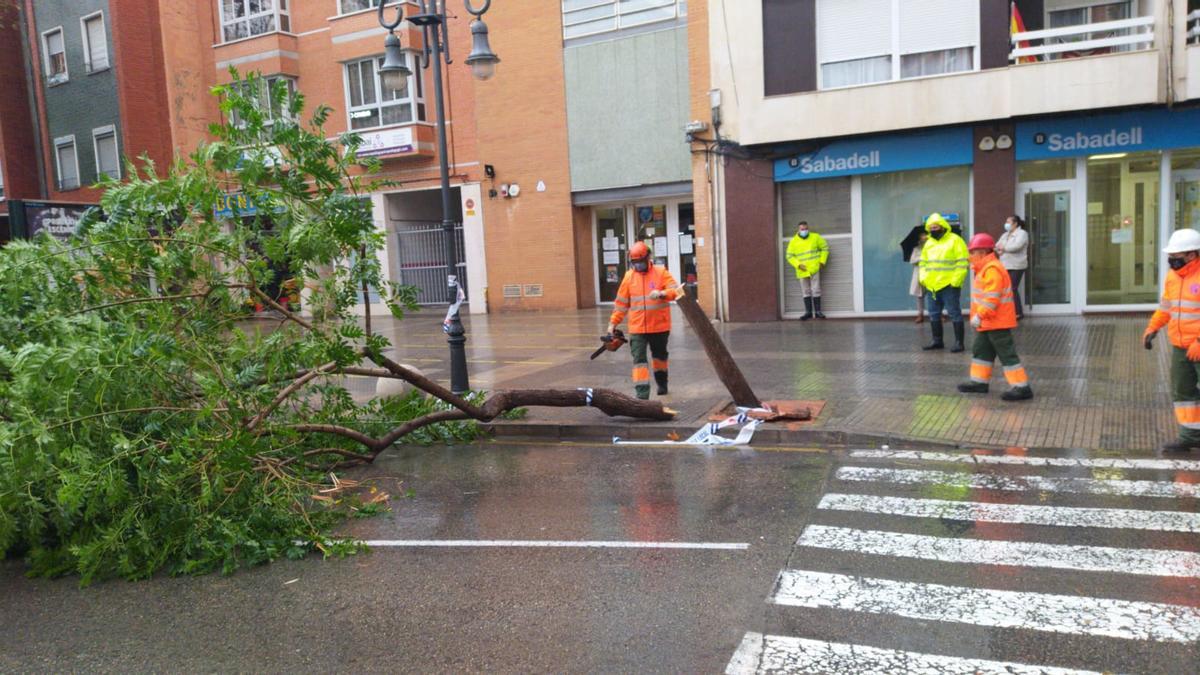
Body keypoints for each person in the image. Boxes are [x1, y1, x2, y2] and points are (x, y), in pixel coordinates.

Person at [1143, 228, 1200, 454]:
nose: (1172, 260)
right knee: (1183, 391)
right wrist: (1152, 327)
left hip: (1197, 344)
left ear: (1192, 255)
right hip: (1180, 346)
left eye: (1177, 256)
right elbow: (1166, 307)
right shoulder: (1173, 277)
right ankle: (1190, 435)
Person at [956, 233, 1033, 401]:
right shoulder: (985, 268)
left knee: (1007, 354)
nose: (970, 256)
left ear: (982, 252)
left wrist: (979, 315)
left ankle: (1022, 387)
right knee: (981, 352)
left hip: (996, 322)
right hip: (988, 322)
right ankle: (979, 383)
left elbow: (992, 298)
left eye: (972, 252)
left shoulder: (992, 269)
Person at [609, 242, 682, 400]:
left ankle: (662, 383)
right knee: (639, 360)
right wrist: (612, 324)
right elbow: (621, 304)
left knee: (659, 357)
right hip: (637, 328)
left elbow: (676, 291)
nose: (638, 265)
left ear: (648, 257)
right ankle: (642, 394)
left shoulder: (661, 272)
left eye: (640, 261)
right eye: (635, 262)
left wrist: (662, 293)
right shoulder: (629, 277)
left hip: (659, 327)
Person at [919, 213, 970, 352]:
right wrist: (923, 278)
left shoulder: (955, 240)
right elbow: (923, 263)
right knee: (934, 313)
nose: (933, 229)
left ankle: (959, 343)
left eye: (935, 226)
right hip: (932, 286)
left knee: (954, 313)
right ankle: (937, 341)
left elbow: (963, 262)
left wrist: (955, 281)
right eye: (931, 227)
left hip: (949, 285)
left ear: (942, 226)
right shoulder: (929, 243)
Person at [785, 221, 830, 320]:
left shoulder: (815, 237)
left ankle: (818, 312)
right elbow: (789, 256)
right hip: (802, 270)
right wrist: (798, 265)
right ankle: (808, 312)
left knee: (816, 290)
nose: (804, 231)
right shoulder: (793, 241)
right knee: (805, 291)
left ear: (808, 228)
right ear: (798, 230)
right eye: (802, 229)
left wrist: (822, 261)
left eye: (806, 229)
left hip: (814, 268)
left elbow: (825, 248)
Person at [994, 214, 1029, 319]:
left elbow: (1016, 247)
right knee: (1006, 289)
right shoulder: (1005, 234)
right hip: (1005, 265)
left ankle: (1018, 313)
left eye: (1008, 222)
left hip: (1017, 265)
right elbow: (996, 246)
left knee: (1012, 288)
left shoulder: (1022, 233)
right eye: (1006, 222)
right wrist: (1001, 249)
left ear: (1015, 223)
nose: (1006, 224)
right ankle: (1009, 312)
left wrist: (1003, 248)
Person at [909, 231, 927, 323]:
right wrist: (921, 258)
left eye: (926, 236)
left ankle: (938, 314)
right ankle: (920, 314)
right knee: (920, 295)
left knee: (935, 295)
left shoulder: (933, 248)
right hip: (919, 274)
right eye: (922, 237)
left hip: (931, 274)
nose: (924, 238)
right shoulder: (916, 249)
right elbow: (912, 261)